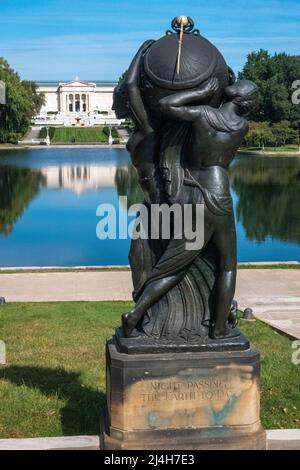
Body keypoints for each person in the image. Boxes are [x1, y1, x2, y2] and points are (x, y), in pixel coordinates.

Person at [122, 78, 259, 339]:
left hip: (193, 192)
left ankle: (135, 314)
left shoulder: (203, 116)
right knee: (227, 266)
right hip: (220, 194)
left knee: (174, 265)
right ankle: (218, 329)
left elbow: (165, 105)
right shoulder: (241, 126)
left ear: (237, 96)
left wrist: (198, 91)